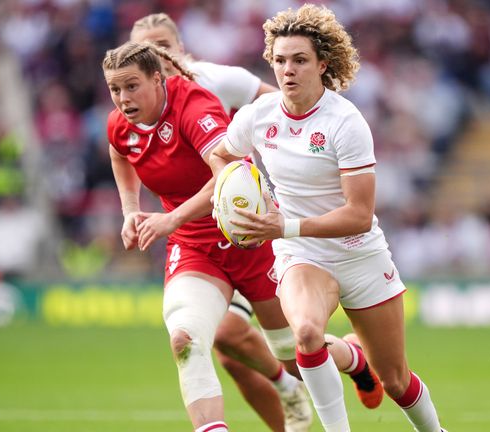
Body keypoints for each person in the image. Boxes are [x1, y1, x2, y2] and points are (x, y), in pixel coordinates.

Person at [208, 4, 447, 431]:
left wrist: (283, 223)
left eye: (299, 60)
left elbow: (359, 215)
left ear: (323, 64)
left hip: (358, 254)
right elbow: (223, 153)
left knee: (394, 380)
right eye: (279, 60)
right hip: (301, 253)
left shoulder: (345, 122)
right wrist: (236, 193)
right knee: (305, 336)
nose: (288, 70)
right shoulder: (257, 117)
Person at [102, 41, 303, 432]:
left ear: (158, 77)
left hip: (250, 237)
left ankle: (347, 359)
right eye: (115, 89)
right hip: (194, 247)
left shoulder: (196, 105)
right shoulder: (121, 123)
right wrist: (130, 211)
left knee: (295, 354)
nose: (122, 99)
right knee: (185, 339)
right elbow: (119, 151)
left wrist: (169, 219)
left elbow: (228, 172)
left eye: (131, 86)